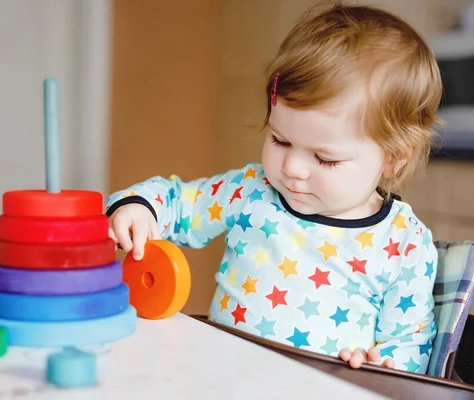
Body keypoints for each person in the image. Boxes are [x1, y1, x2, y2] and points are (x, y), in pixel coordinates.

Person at [105, 1, 442, 374]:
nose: (293, 168)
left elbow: (409, 347)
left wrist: (382, 366)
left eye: (325, 159)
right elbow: (178, 203)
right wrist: (137, 207)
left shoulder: (404, 243)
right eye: (280, 140)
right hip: (221, 380)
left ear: (394, 158)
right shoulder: (250, 192)